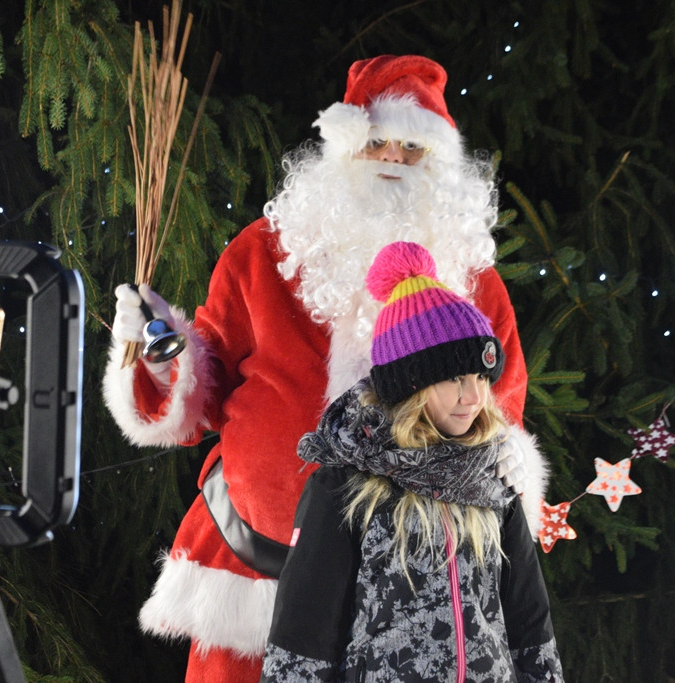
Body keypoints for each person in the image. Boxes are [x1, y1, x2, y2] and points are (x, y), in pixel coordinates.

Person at [103, 54, 550, 682]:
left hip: (413, 611)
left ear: (442, 166)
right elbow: (194, 404)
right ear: (342, 147)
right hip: (255, 580)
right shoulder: (262, 254)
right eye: (375, 142)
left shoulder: (475, 284)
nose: (392, 159)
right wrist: (155, 355)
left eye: (413, 148)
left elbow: (497, 428)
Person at [261, 242, 563, 682]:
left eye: (481, 376)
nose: (474, 396)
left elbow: (529, 618)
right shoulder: (348, 485)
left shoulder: (492, 478)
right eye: (454, 377)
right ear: (410, 386)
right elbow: (304, 629)